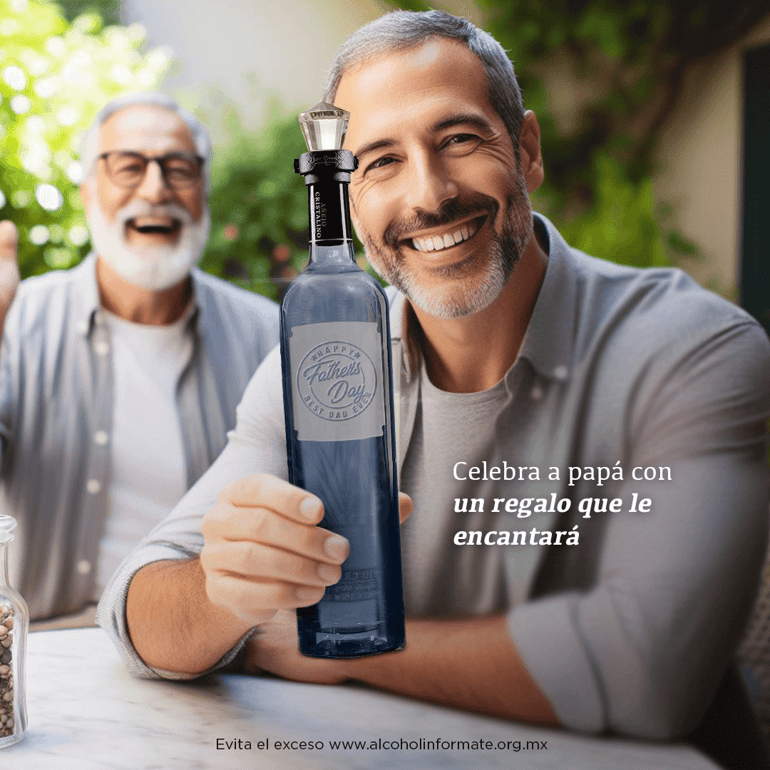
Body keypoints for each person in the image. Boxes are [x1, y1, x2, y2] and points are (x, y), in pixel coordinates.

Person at [99, 12, 770, 744]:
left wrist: (350, 650)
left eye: (457, 139)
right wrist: (220, 591)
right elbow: (136, 606)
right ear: (349, 199)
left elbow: (648, 672)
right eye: (381, 161)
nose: (429, 194)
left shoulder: (691, 349)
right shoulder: (326, 361)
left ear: (527, 150)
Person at [0, 92, 279, 621]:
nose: (156, 189)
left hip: (208, 654)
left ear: (204, 193)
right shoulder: (17, 320)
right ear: (87, 193)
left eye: (179, 169)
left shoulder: (264, 334)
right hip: (47, 653)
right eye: (128, 167)